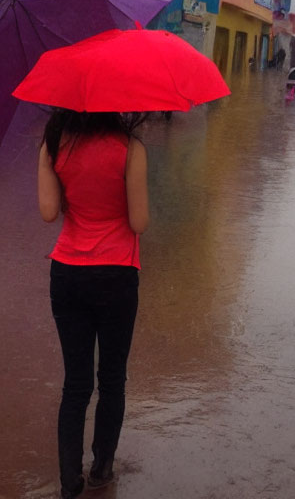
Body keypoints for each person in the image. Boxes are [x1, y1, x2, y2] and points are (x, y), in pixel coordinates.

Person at [37, 109, 149, 499]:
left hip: (67, 274)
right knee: (112, 379)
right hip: (116, 274)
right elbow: (138, 222)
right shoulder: (131, 149)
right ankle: (102, 469)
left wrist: (76, 194)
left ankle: (69, 483)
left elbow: (49, 212)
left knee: (76, 384)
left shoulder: (53, 146)